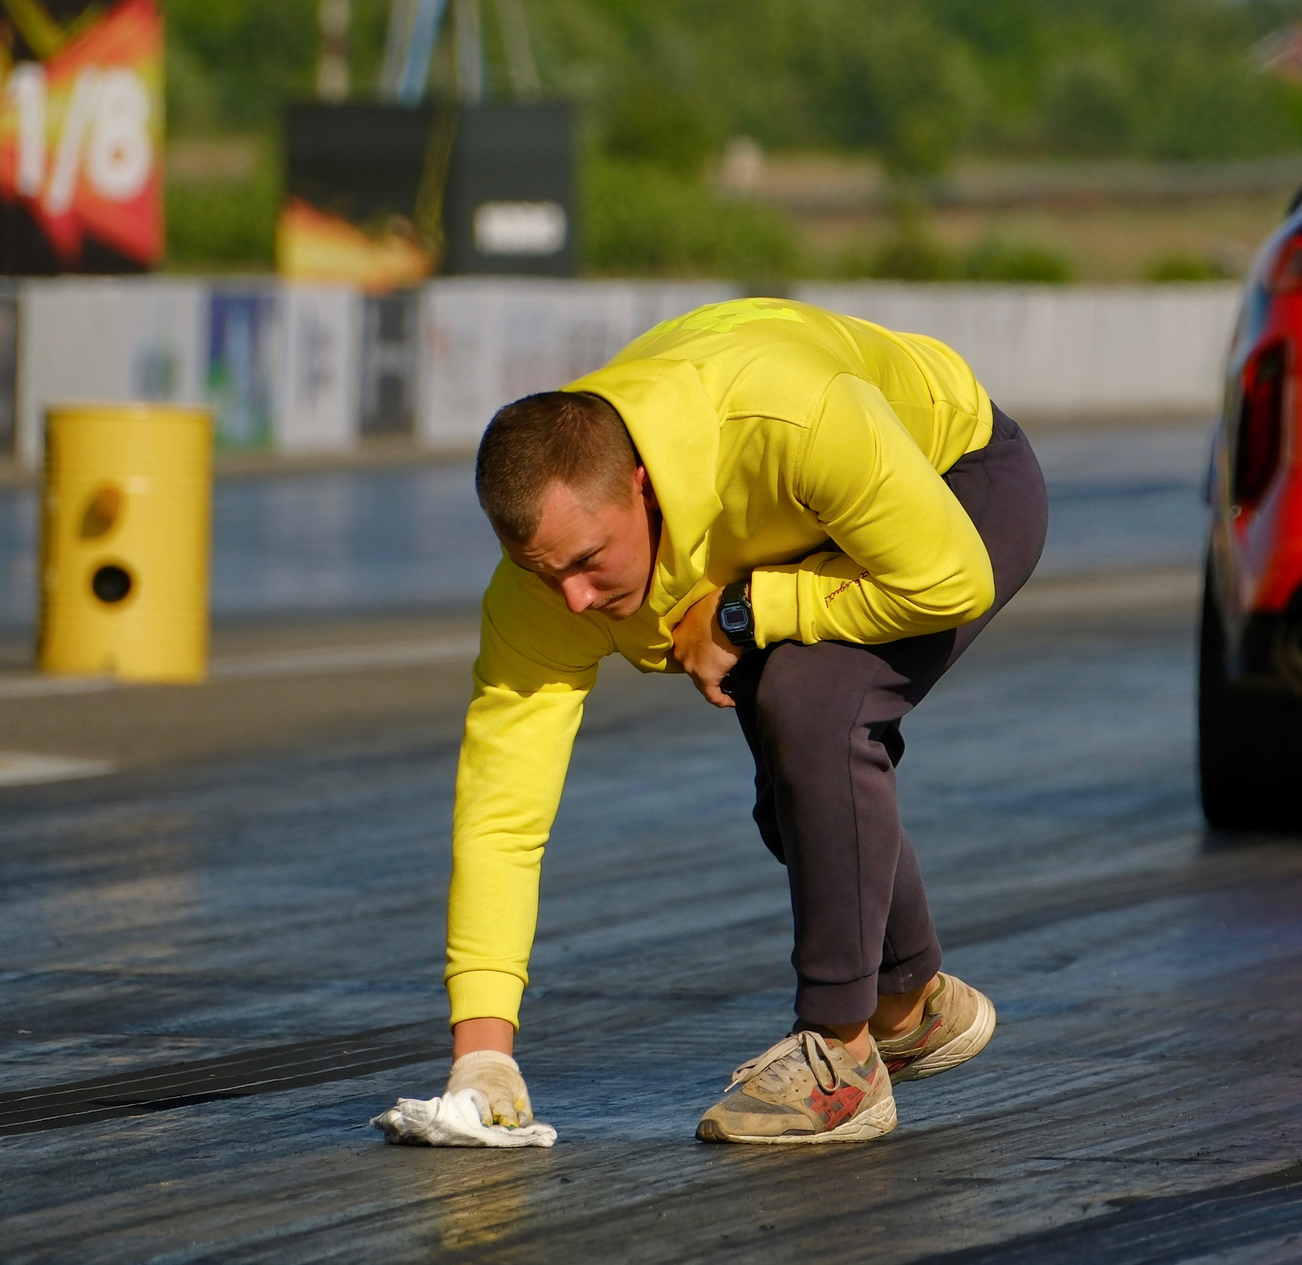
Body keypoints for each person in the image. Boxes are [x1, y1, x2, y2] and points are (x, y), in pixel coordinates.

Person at [433, 295, 1047, 1145]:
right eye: (542, 571)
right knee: (792, 783)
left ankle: (844, 1056)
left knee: (808, 701)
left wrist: (740, 611)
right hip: (791, 512)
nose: (571, 598)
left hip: (948, 483)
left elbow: (951, 580)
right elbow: (502, 814)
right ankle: (910, 1007)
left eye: (586, 562)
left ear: (639, 487)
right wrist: (482, 1052)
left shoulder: (791, 416)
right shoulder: (542, 589)